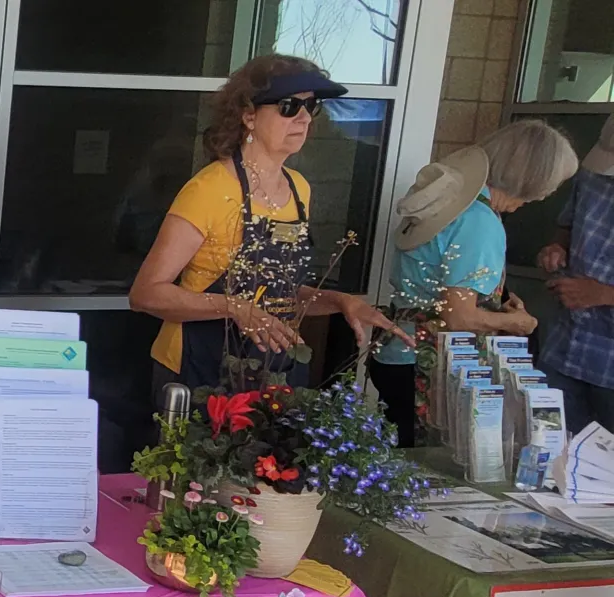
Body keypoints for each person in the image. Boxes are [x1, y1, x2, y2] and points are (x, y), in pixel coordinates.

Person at [131, 54, 406, 392]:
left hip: (272, 372)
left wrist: (339, 301)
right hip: (200, 368)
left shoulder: (298, 188)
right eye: (289, 106)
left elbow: (278, 295)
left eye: (311, 106)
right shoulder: (210, 190)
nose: (304, 118)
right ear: (249, 115)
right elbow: (146, 293)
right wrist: (233, 307)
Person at [372, 120, 576, 445]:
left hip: (396, 351)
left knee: (395, 452)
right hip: (427, 366)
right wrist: (516, 323)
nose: (545, 195)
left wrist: (497, 304)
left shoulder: (452, 203)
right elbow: (458, 316)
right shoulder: (479, 222)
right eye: (550, 185)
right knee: (425, 464)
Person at [539, 115, 614, 432]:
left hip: (609, 367)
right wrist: (555, 249)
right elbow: (566, 228)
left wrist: (603, 294)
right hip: (565, 346)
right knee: (545, 445)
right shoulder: (592, 176)